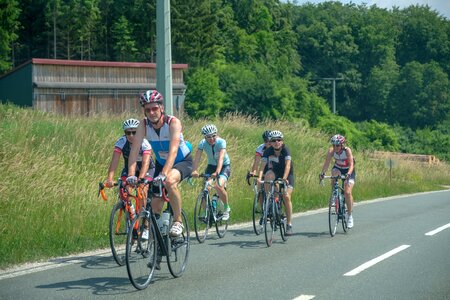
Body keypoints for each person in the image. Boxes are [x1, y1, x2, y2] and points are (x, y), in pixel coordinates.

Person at [127, 90, 193, 237]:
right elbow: (134, 151)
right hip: (161, 164)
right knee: (155, 206)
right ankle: (158, 239)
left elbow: (174, 151)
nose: (151, 112)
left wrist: (164, 174)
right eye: (147, 110)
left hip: (182, 161)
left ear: (161, 108)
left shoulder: (173, 123)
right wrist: (131, 175)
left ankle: (178, 221)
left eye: (154, 108)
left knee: (169, 182)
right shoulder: (143, 125)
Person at [105, 118, 155, 214]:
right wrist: (110, 179)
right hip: (130, 168)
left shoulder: (144, 143)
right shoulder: (121, 142)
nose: (131, 135)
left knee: (142, 189)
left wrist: (140, 179)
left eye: (134, 132)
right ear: (125, 133)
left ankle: (144, 221)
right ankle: (131, 212)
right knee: (124, 188)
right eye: (128, 133)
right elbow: (114, 161)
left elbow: (145, 164)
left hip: (147, 169)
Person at [258, 130, 295, 236]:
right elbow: (262, 166)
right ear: (270, 142)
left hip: (287, 175)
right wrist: (260, 178)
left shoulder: (286, 150)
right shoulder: (268, 151)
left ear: (282, 141)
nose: (276, 142)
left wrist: (284, 178)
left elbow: (288, 165)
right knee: (268, 176)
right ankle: (270, 201)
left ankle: (289, 224)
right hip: (275, 172)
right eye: (273, 140)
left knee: (286, 196)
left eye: (279, 140)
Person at [191, 124, 231, 221]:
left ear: (216, 134)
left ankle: (226, 208)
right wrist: (194, 170)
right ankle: (206, 214)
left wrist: (217, 171)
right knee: (206, 189)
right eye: (208, 137)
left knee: (218, 185)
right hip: (211, 166)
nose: (211, 139)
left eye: (214, 136)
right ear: (205, 137)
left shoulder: (221, 142)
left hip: (224, 166)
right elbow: (197, 157)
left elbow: (221, 158)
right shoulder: (202, 143)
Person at [319, 134, 355, 228]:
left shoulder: (347, 150)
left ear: (342, 145)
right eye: (334, 145)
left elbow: (351, 164)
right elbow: (327, 163)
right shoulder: (331, 151)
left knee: (347, 193)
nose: (335, 147)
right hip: (338, 168)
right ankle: (335, 194)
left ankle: (350, 216)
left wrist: (348, 174)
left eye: (337, 145)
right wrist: (322, 173)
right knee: (334, 174)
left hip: (348, 170)